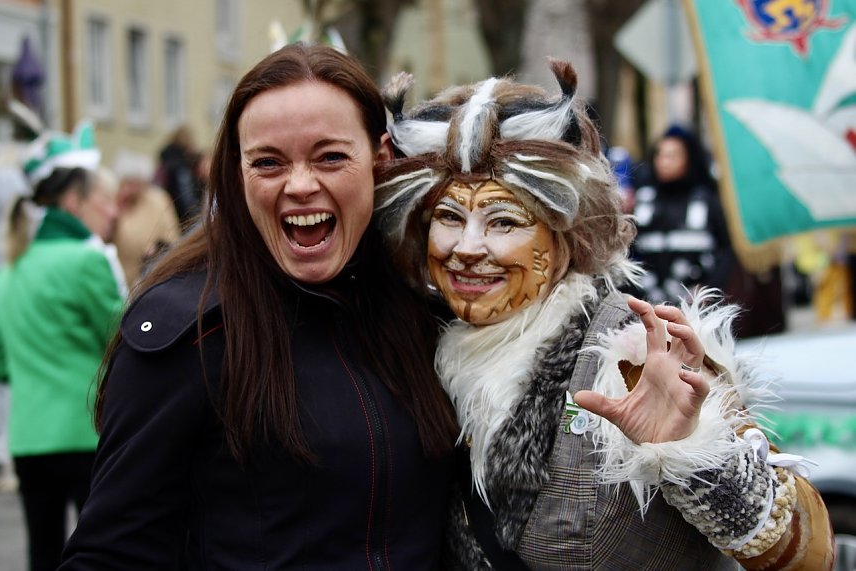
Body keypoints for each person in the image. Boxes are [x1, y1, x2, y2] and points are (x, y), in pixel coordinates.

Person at [374, 61, 834, 569]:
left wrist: (696, 457)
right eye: (448, 217)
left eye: (503, 222)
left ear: (567, 236)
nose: (466, 247)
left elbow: (810, 556)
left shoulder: (634, 355)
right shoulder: (420, 351)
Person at [58, 43, 459, 569]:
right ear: (237, 173)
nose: (300, 185)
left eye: (330, 157)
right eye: (268, 163)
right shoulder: (190, 332)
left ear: (380, 159)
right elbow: (110, 555)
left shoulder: (427, 311)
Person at [0, 122, 126, 571]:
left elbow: (1, 363)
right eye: (100, 199)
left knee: (43, 551)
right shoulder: (87, 260)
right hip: (85, 432)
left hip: (29, 437)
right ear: (74, 201)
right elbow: (123, 341)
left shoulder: (10, 270)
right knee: (102, 552)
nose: (110, 212)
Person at [631, 124, 735, 306]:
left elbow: (726, 250)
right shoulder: (643, 201)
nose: (664, 162)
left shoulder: (706, 201)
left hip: (695, 304)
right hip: (648, 302)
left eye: (672, 156)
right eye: (660, 155)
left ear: (689, 158)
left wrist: (711, 287)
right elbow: (627, 251)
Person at [112, 151, 181, 289]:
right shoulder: (114, 200)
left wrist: (158, 248)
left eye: (136, 183)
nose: (132, 188)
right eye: (127, 182)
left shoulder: (158, 199)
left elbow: (172, 236)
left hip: (153, 279)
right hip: (121, 279)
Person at [156, 124, 202, 228]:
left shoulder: (164, 164)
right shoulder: (181, 167)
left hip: (168, 219)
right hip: (183, 223)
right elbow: (188, 200)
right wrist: (198, 222)